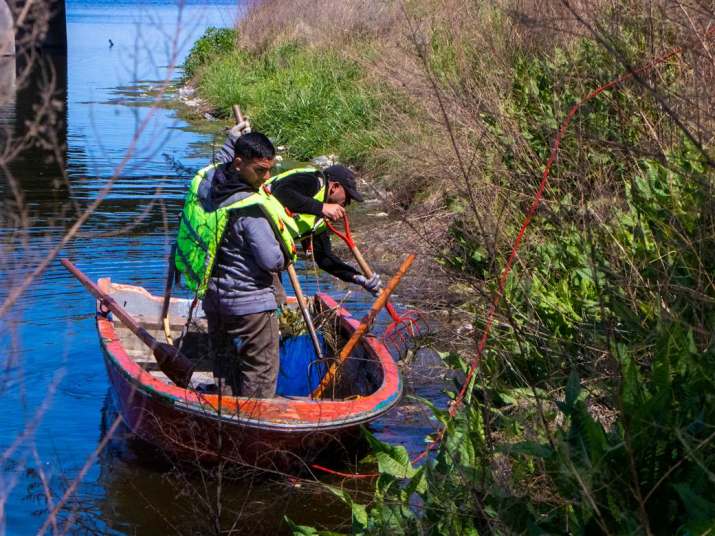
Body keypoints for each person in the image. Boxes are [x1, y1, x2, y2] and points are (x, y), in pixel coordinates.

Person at [174, 132, 296, 398]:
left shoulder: (207, 188)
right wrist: (286, 253)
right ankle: (255, 422)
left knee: (224, 367)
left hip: (215, 301)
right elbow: (270, 260)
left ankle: (225, 418)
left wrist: (230, 140)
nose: (266, 178)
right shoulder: (250, 209)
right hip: (250, 305)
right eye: (260, 170)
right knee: (260, 370)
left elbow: (220, 162)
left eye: (269, 170)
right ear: (239, 164)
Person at [215, 132, 381, 297]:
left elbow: (324, 258)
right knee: (270, 300)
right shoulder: (313, 181)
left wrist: (357, 278)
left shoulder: (321, 219)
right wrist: (321, 207)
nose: (347, 204)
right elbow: (282, 194)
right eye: (348, 197)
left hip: (268, 254)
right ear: (335, 187)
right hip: (245, 242)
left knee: (276, 300)